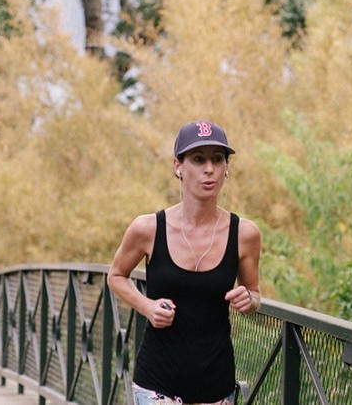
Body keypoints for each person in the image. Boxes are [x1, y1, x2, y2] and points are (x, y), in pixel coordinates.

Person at [108, 120, 262, 405]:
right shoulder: (148, 228)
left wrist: (248, 299)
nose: (209, 169)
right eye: (198, 159)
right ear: (178, 166)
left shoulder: (245, 234)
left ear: (227, 168)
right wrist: (147, 306)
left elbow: (254, 294)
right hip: (157, 380)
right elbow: (116, 275)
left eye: (217, 160)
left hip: (215, 383)